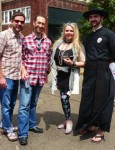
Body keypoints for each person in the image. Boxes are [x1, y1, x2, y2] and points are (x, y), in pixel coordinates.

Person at [75, 8, 115, 142]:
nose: (93, 19)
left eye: (96, 16)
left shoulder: (109, 34)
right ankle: (89, 125)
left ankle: (101, 130)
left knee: (102, 101)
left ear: (102, 18)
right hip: (89, 71)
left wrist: (104, 62)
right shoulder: (87, 36)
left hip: (103, 72)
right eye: (91, 17)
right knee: (88, 100)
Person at [17, 15, 52, 145]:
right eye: (39, 23)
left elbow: (48, 59)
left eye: (43, 24)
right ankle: (23, 133)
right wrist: (23, 69)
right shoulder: (25, 40)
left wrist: (46, 73)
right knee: (24, 106)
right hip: (28, 77)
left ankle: (32, 125)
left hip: (40, 79)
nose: (40, 25)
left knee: (33, 103)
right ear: (34, 23)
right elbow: (20, 57)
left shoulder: (48, 42)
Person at [50, 23, 85, 134]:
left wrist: (73, 63)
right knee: (63, 98)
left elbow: (85, 62)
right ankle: (67, 119)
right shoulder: (57, 43)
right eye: (67, 30)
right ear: (63, 32)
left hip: (69, 76)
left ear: (74, 32)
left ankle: (69, 121)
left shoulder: (77, 46)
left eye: (71, 31)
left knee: (64, 98)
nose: (69, 32)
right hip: (58, 75)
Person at [0, 12, 25, 141]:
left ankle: (4, 124)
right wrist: (1, 77)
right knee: (5, 104)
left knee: (12, 103)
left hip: (16, 77)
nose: (19, 23)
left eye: (21, 21)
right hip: (6, 76)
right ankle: (8, 129)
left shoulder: (21, 36)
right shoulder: (4, 35)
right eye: (17, 21)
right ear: (11, 21)